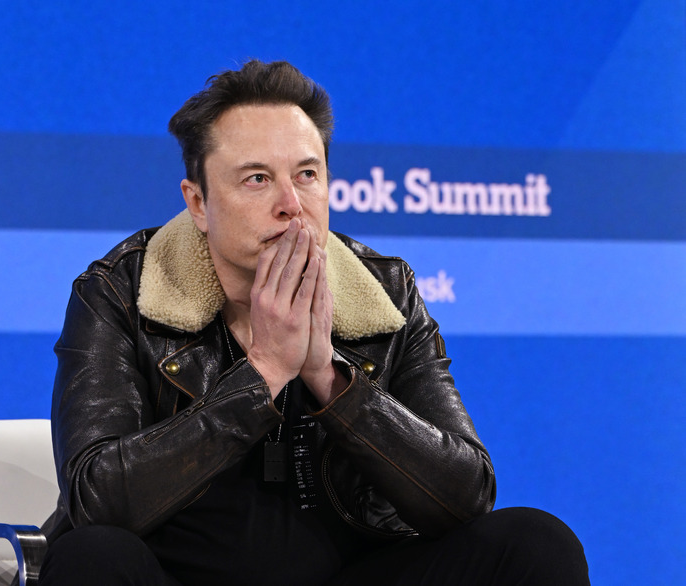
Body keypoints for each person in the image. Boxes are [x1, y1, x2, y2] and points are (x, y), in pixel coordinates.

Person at [37, 60, 589, 585]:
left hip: (351, 578)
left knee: (535, 543)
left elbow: (465, 495)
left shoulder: (386, 295)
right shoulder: (118, 293)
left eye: (307, 175)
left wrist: (331, 378)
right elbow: (95, 500)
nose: (291, 204)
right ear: (198, 203)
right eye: (256, 179)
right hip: (174, 576)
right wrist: (264, 375)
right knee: (93, 557)